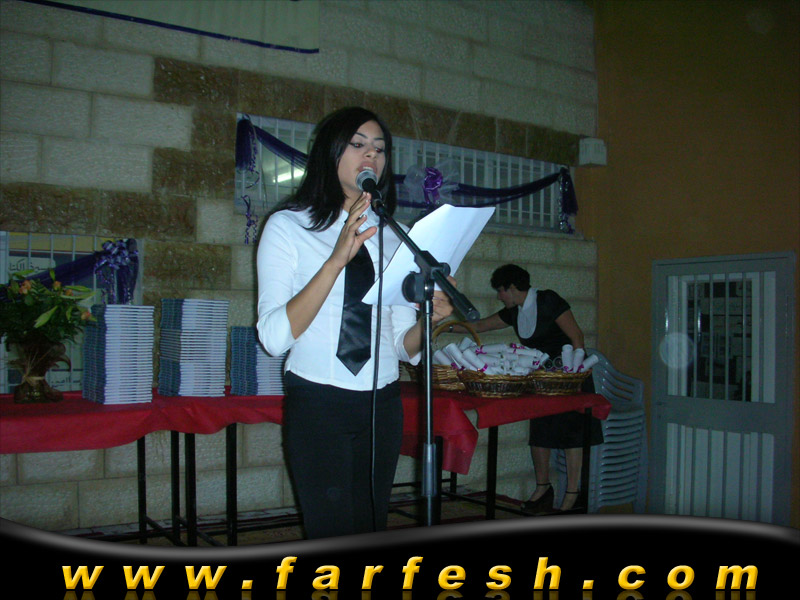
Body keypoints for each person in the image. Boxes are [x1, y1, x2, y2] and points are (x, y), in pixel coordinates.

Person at [255, 107, 454, 538]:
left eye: (380, 149)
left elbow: (401, 345)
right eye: (359, 144)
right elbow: (273, 337)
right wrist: (335, 260)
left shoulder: (396, 237)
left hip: (382, 405)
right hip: (319, 402)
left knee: (370, 526)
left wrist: (430, 319)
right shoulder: (288, 226)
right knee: (330, 531)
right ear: (331, 152)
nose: (372, 156)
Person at [450, 264, 602, 512]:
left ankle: (573, 495)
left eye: (500, 291)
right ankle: (543, 488)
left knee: (572, 434)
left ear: (512, 287)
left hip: (569, 374)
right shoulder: (515, 311)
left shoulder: (549, 300)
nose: (499, 296)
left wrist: (574, 373)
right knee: (540, 433)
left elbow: (577, 337)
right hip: (543, 378)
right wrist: (443, 326)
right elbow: (481, 326)